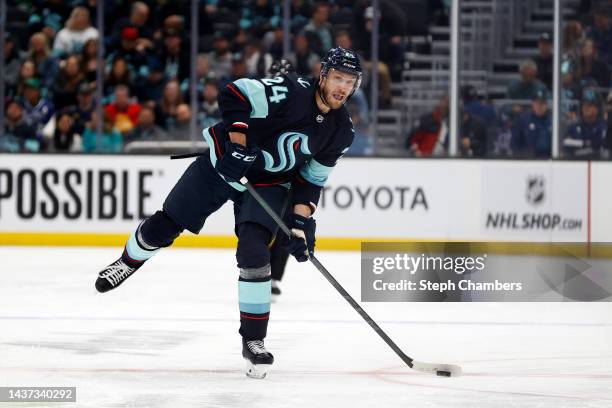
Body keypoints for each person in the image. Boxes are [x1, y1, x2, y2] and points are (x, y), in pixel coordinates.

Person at [94, 47, 362, 379]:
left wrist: (300, 221)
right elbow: (235, 92)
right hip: (225, 164)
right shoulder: (292, 92)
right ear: (323, 74)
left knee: (254, 252)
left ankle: (254, 341)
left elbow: (311, 180)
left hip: (268, 184)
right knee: (166, 225)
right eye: (338, 78)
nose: (342, 88)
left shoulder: (341, 130)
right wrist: (237, 143)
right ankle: (127, 261)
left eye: (349, 82)